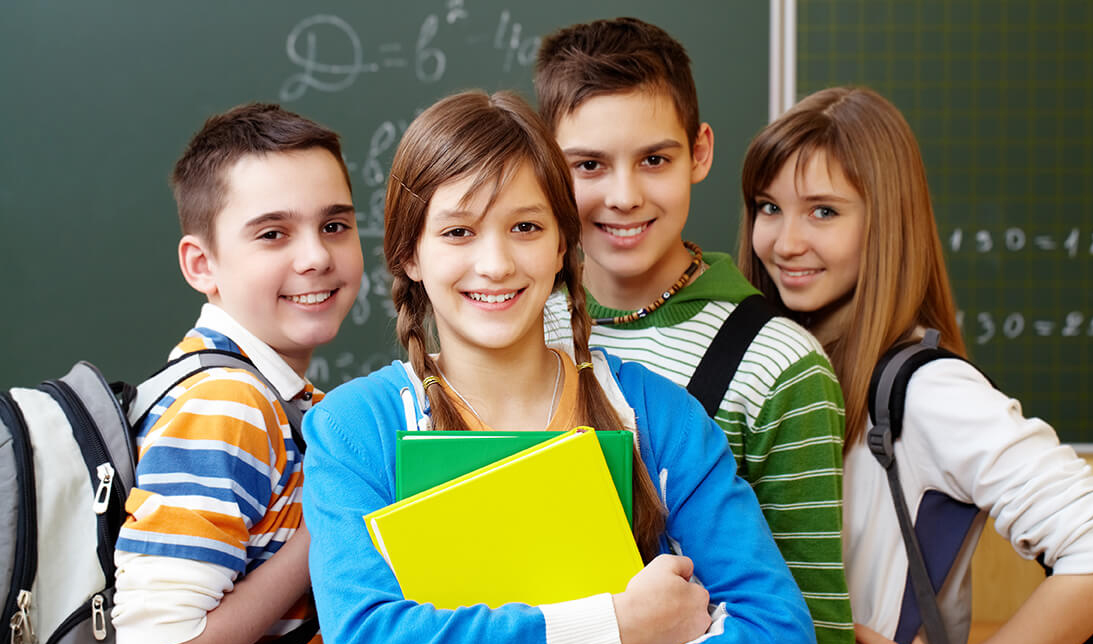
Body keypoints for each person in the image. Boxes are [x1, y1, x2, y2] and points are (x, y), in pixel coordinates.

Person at [301, 89, 815, 644]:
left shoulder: (661, 417)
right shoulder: (354, 430)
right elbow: (367, 633)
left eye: (526, 228)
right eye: (458, 232)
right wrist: (617, 625)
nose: (495, 264)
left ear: (562, 246)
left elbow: (775, 625)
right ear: (410, 254)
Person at [738, 85, 1093, 644]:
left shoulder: (927, 389)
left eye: (824, 211)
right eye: (769, 207)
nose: (785, 242)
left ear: (886, 222)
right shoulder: (776, 366)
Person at [532, 17, 853, 643]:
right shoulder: (506, 323)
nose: (623, 196)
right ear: (546, 164)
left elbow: (810, 621)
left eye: (654, 159)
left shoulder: (779, 363)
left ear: (700, 151)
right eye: (589, 164)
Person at [113, 103, 364, 643]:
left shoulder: (281, 399)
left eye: (335, 225)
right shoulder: (227, 404)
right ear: (201, 264)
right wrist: (334, 523)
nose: (317, 256)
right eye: (273, 234)